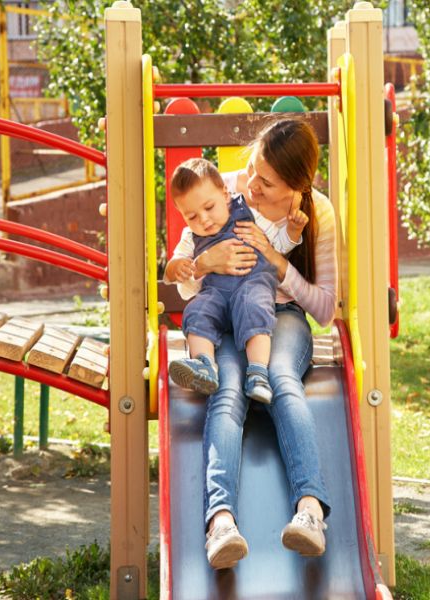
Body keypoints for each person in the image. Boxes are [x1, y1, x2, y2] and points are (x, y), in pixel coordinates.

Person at [187, 119, 337, 570]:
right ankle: (221, 522)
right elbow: (184, 273)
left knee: (280, 376)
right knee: (226, 390)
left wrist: (277, 264)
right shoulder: (223, 192)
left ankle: (310, 511)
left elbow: (326, 308)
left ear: (298, 186)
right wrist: (202, 262)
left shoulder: (318, 215)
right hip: (232, 320)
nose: (251, 185)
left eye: (266, 182)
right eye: (252, 169)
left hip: (285, 317)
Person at [164, 158, 308, 404]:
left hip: (251, 284)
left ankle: (258, 373)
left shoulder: (248, 215)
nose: (204, 220)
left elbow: (278, 243)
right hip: (216, 294)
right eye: (192, 217)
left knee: (254, 305)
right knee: (196, 311)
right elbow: (173, 269)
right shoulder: (191, 237)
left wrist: (293, 232)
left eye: (209, 208)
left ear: (225, 193)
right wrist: (177, 267)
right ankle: (204, 365)